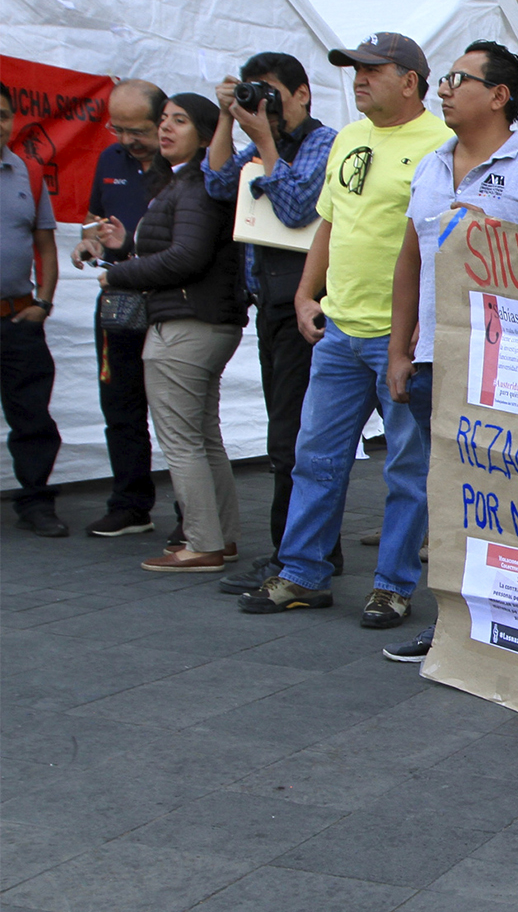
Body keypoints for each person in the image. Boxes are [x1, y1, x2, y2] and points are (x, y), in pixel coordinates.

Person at [236, 32, 450, 627]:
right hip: (339, 330)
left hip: (399, 338)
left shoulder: (442, 144)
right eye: (354, 69)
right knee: (315, 458)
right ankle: (302, 572)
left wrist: (419, 332)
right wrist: (307, 293)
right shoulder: (349, 138)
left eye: (371, 70)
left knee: (405, 468)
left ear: (409, 80)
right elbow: (328, 222)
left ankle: (392, 585)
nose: (358, 79)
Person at [380, 41, 518, 660]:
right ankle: (454, 624)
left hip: (512, 367)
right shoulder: (429, 167)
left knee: (511, 498)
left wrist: (500, 245)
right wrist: (398, 348)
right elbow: (411, 258)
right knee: (449, 496)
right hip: (436, 360)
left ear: (499, 96)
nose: (442, 89)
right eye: (444, 79)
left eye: (456, 79)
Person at [201, 52, 342, 588]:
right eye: (253, 94)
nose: (264, 106)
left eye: (272, 95)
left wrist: (262, 144)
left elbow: (297, 206)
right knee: (286, 435)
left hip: (306, 306)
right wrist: (226, 118)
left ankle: (297, 555)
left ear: (303, 94)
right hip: (270, 304)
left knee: (294, 439)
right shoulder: (264, 140)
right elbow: (216, 184)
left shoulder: (324, 142)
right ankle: (303, 551)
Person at [90, 94, 246, 572]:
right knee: (203, 436)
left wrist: (119, 275)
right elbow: (179, 250)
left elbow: (187, 257)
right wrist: (125, 246)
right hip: (198, 320)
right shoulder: (183, 183)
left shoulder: (196, 183)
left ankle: (202, 543)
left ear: (204, 133)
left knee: (182, 440)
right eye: (163, 120)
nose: (165, 129)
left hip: (185, 323)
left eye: (179, 121)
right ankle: (220, 537)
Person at [76, 79, 170, 539]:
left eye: (139, 130)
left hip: (171, 302)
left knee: (177, 412)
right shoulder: (109, 160)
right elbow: (96, 223)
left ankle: (196, 518)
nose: (127, 140)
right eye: (118, 129)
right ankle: (131, 503)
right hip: (119, 301)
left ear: (162, 121)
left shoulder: (183, 166)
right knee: (120, 405)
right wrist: (89, 242)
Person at [0, 82, 66, 537]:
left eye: (3, 114)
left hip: (17, 316)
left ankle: (36, 502)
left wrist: (44, 300)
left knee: (32, 414)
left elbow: (45, 245)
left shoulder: (29, 171)